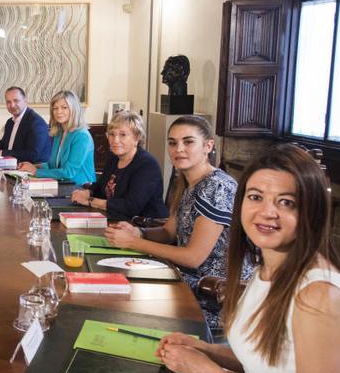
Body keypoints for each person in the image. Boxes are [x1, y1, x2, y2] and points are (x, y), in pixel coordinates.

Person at [157, 144, 340, 373]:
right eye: (255, 197)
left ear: (312, 211)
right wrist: (206, 351)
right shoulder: (267, 270)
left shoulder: (318, 298)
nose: (267, 212)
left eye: (287, 202)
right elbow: (271, 363)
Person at [103, 115, 249, 329]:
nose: (178, 149)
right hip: (181, 278)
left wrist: (133, 243)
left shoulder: (217, 187)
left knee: (119, 304)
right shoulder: (187, 181)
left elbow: (193, 257)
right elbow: (169, 233)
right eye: (172, 143)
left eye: (188, 142)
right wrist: (138, 233)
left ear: (208, 146)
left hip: (213, 295)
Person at [71, 111, 168, 221]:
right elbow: (101, 187)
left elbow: (131, 206)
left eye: (123, 135)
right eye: (112, 134)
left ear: (137, 138)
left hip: (146, 227)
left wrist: (90, 201)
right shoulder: (114, 158)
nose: (115, 140)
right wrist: (87, 192)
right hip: (117, 220)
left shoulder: (147, 165)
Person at [17, 90, 95, 184]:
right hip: (60, 184)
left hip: (79, 188)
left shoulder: (82, 136)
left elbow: (68, 172)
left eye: (64, 107)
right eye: (55, 108)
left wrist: (35, 172)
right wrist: (32, 166)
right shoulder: (59, 132)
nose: (59, 112)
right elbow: (52, 165)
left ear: (74, 109)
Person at [0, 86, 51, 163]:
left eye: (16, 101)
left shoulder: (36, 123)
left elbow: (33, 154)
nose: (12, 105)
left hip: (33, 169)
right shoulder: (10, 122)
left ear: (25, 101)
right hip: (11, 166)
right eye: (8, 102)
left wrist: (1, 153)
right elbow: (4, 143)